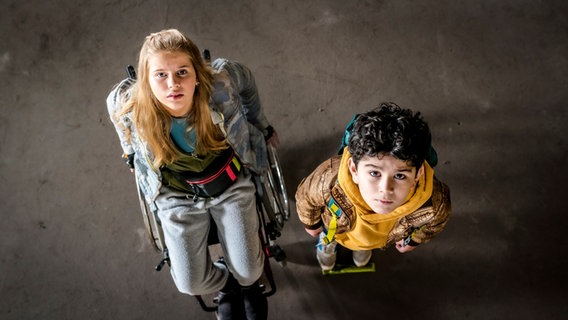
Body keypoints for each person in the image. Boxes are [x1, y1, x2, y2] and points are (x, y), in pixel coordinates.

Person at [106, 29, 279, 319]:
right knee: (189, 283)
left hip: (229, 184)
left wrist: (260, 123)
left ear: (198, 74)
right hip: (177, 195)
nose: (173, 84)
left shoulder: (221, 83)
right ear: (147, 82)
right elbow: (115, 111)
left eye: (182, 72)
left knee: (249, 270)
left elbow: (247, 81)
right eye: (160, 75)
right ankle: (227, 284)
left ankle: (248, 285)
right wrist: (131, 153)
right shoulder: (130, 105)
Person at [295, 103, 451, 271]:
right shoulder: (329, 179)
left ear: (418, 174)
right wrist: (311, 224)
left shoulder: (434, 202)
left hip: (379, 236)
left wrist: (414, 240)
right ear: (354, 169)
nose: (385, 189)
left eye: (400, 176)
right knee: (329, 231)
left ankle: (364, 245)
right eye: (375, 173)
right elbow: (306, 197)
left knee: (366, 240)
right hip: (335, 226)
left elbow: (436, 223)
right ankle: (328, 240)